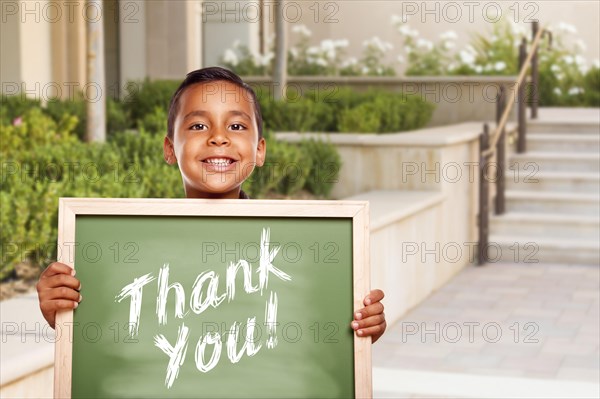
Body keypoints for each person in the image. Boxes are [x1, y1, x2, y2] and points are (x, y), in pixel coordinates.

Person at [36, 67, 387, 343]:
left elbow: (316, 334)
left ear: (260, 150)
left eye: (236, 125)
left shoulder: (299, 248)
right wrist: (64, 315)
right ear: (170, 148)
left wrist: (360, 328)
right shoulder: (131, 249)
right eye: (199, 124)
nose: (218, 137)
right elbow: (114, 335)